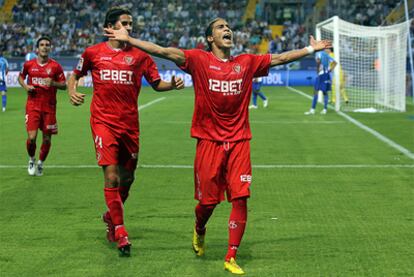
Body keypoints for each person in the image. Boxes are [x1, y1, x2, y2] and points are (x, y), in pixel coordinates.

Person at [104, 17, 331, 274]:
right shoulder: (199, 60)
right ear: (210, 38)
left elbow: (279, 58)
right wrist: (129, 40)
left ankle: (231, 256)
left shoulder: (245, 62)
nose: (227, 29)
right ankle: (199, 228)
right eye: (220, 27)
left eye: (228, 27)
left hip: (239, 141)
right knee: (207, 204)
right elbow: (164, 51)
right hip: (208, 142)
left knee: (241, 197)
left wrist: (312, 49)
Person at [67, 7, 184, 257]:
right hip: (103, 122)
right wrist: (72, 89)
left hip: (130, 125)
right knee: (112, 178)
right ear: (110, 27)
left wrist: (171, 85)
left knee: (127, 179)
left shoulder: (140, 57)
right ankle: (121, 232)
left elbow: (156, 83)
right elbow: (74, 75)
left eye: (131, 23)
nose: (129, 28)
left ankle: (111, 217)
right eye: (124, 23)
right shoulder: (93, 53)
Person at [18, 36, 66, 176]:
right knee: (32, 138)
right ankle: (32, 159)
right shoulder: (29, 65)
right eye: (42, 45)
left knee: (46, 139)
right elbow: (20, 77)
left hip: (49, 107)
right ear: (37, 49)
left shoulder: (56, 66)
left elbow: (63, 85)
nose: (45, 47)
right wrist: (26, 86)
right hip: (33, 105)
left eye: (47, 45)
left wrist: (53, 83)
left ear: (50, 48)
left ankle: (40, 163)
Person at [305, 48, 336, 115]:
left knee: (315, 92)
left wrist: (317, 70)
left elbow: (318, 61)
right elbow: (335, 63)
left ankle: (312, 109)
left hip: (321, 75)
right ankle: (324, 109)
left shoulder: (318, 53)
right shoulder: (327, 55)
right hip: (326, 75)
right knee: (325, 93)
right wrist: (329, 70)